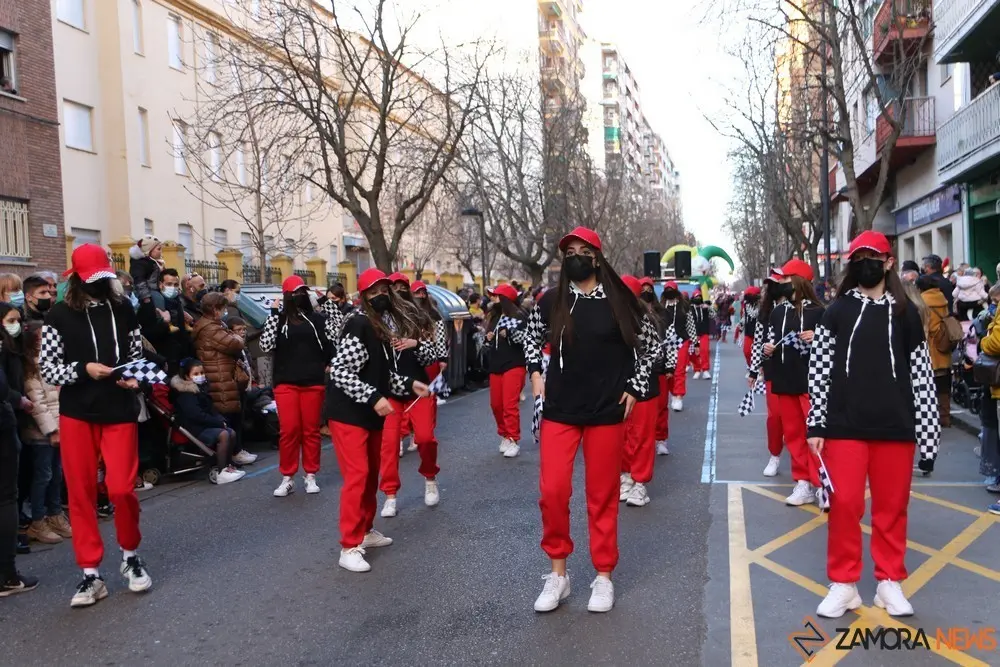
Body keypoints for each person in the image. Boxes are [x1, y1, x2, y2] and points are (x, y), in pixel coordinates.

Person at [523, 227, 657, 614]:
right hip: (560, 411)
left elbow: (651, 347)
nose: (576, 257)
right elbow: (530, 338)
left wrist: (635, 385)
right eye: (569, 252)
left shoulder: (621, 301)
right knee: (552, 492)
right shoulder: (551, 301)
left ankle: (603, 576)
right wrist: (535, 373)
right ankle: (558, 576)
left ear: (597, 256)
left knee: (601, 497)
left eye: (584, 251)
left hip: (605, 412)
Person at [808, 231, 940, 618]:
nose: (866, 263)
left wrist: (928, 435)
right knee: (845, 505)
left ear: (889, 262)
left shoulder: (906, 314)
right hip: (844, 426)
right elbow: (820, 369)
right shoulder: (837, 311)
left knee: (892, 507)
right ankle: (844, 583)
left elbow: (921, 376)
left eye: (873, 257)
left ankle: (889, 582)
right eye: (858, 258)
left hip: (896, 428)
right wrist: (816, 423)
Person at [39, 243, 152, 608]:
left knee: (121, 489)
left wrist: (134, 378)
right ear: (76, 280)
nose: (96, 285)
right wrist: (82, 369)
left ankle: (130, 556)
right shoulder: (57, 315)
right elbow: (48, 368)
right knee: (82, 494)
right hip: (77, 413)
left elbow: (135, 355)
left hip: (119, 409)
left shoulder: (124, 309)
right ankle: (90, 573)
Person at [325, 268, 431, 572]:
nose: (381, 296)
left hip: (367, 414)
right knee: (358, 476)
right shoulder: (358, 324)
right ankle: (349, 546)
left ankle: (366, 531)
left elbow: (379, 375)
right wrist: (374, 397)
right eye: (373, 292)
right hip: (348, 414)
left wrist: (410, 385)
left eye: (384, 290)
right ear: (363, 298)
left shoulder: (379, 328)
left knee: (370, 475)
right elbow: (342, 371)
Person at [749, 259, 824, 504]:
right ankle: (803, 482)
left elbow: (836, 348)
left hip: (812, 383)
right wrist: (766, 350)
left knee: (816, 434)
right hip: (784, 380)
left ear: (798, 281)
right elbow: (766, 343)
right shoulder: (778, 312)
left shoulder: (821, 312)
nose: (780, 283)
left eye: (785, 279)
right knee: (793, 434)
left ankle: (822, 483)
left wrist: (818, 339)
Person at [259, 276, 333, 497]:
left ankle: (310, 475)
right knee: (289, 430)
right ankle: (287, 476)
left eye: (304, 292)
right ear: (287, 296)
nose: (301, 296)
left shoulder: (318, 319)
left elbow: (331, 343)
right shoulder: (279, 320)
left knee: (311, 430)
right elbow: (265, 345)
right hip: (286, 382)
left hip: (312, 381)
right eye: (296, 292)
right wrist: (273, 315)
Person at [377, 273, 440, 517]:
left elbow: (431, 355)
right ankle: (390, 494)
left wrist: (416, 344)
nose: (399, 291)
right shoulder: (374, 322)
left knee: (425, 438)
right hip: (390, 392)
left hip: (418, 388)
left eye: (404, 287)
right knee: (389, 445)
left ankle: (430, 477)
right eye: (394, 287)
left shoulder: (418, 317)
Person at [619, 275, 672, 507]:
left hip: (644, 388)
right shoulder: (610, 318)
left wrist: (636, 383)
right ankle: (626, 476)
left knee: (641, 436)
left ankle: (640, 484)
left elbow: (656, 353)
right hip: (618, 389)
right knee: (623, 436)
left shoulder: (646, 321)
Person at [17, 325, 71, 545]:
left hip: (56, 425)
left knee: (56, 474)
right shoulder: (30, 367)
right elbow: (38, 403)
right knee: (44, 475)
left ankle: (55, 514)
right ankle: (38, 520)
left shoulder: (50, 362)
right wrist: (53, 430)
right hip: (41, 432)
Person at [191, 293, 256, 468]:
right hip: (219, 376)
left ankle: (235, 452)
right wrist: (236, 337)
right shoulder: (210, 328)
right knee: (228, 416)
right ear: (214, 309)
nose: (225, 312)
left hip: (223, 375)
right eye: (222, 308)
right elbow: (235, 343)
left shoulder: (215, 325)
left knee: (234, 414)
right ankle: (230, 457)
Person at [170, 358, 245, 484]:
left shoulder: (201, 389)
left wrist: (221, 420)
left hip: (204, 424)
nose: (200, 376)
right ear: (187, 377)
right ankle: (221, 471)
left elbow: (211, 410)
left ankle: (228, 465)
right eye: (196, 374)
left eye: (202, 373)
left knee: (231, 432)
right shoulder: (186, 394)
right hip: (194, 428)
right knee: (224, 434)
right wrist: (218, 423)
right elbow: (197, 415)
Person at [484, 284, 528, 458]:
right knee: (496, 404)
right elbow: (488, 338)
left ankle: (513, 438)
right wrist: (488, 338)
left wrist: (508, 334)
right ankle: (504, 434)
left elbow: (526, 338)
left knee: (509, 404)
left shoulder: (519, 316)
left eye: (496, 296)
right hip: (496, 364)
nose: (493, 299)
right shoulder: (494, 316)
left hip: (514, 363)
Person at [640, 277, 672, 456]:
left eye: (649, 289)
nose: (646, 292)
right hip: (639, 369)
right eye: (642, 289)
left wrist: (669, 365)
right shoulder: (632, 312)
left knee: (661, 405)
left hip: (659, 366)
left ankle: (661, 439)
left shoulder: (663, 313)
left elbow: (670, 341)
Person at [917, 276, 954, 428]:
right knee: (944, 386)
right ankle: (945, 417)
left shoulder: (922, 301)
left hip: (930, 348)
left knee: (928, 387)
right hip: (943, 345)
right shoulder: (941, 298)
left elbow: (926, 327)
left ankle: (930, 419)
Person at [661, 282, 695, 412]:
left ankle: (679, 396)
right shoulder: (661, 307)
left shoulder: (684, 306)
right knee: (668, 371)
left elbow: (690, 324)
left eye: (671, 289)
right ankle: (674, 393)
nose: (669, 291)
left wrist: (695, 342)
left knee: (680, 369)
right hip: (666, 343)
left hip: (682, 341)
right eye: (667, 289)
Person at [128, 236, 163, 307]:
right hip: (147, 294)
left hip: (155, 291)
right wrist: (146, 297)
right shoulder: (139, 263)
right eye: (158, 249)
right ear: (149, 251)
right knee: (158, 300)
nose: (161, 251)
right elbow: (139, 280)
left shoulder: (155, 262)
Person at [690, 290, 713, 379]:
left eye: (700, 296)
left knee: (704, 350)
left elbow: (713, 316)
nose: (698, 298)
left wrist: (709, 307)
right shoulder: (690, 309)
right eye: (696, 297)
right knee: (694, 353)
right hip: (693, 333)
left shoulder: (705, 308)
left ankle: (705, 370)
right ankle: (697, 369)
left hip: (704, 332)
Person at [741, 287, 761, 368]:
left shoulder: (761, 305)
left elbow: (754, 314)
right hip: (748, 332)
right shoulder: (746, 305)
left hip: (758, 333)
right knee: (746, 351)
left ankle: (756, 369)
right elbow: (744, 317)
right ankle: (751, 366)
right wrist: (739, 329)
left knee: (757, 353)